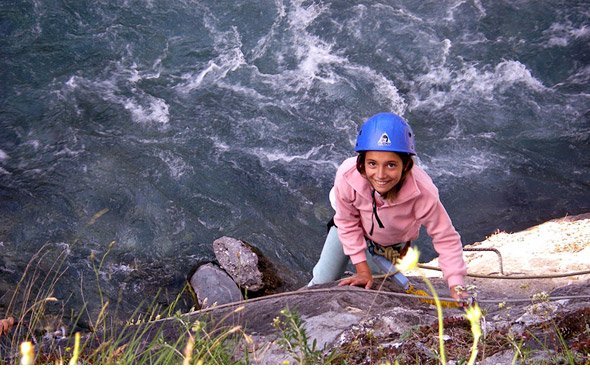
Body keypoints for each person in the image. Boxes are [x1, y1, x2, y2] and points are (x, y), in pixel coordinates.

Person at [309, 112, 471, 304]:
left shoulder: (422, 192)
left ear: (406, 165)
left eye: (391, 165)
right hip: (350, 229)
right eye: (372, 164)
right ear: (361, 163)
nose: (380, 174)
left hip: (390, 243)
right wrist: (361, 270)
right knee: (322, 280)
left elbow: (445, 237)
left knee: (382, 287)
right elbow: (346, 222)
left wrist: (456, 285)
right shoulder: (347, 177)